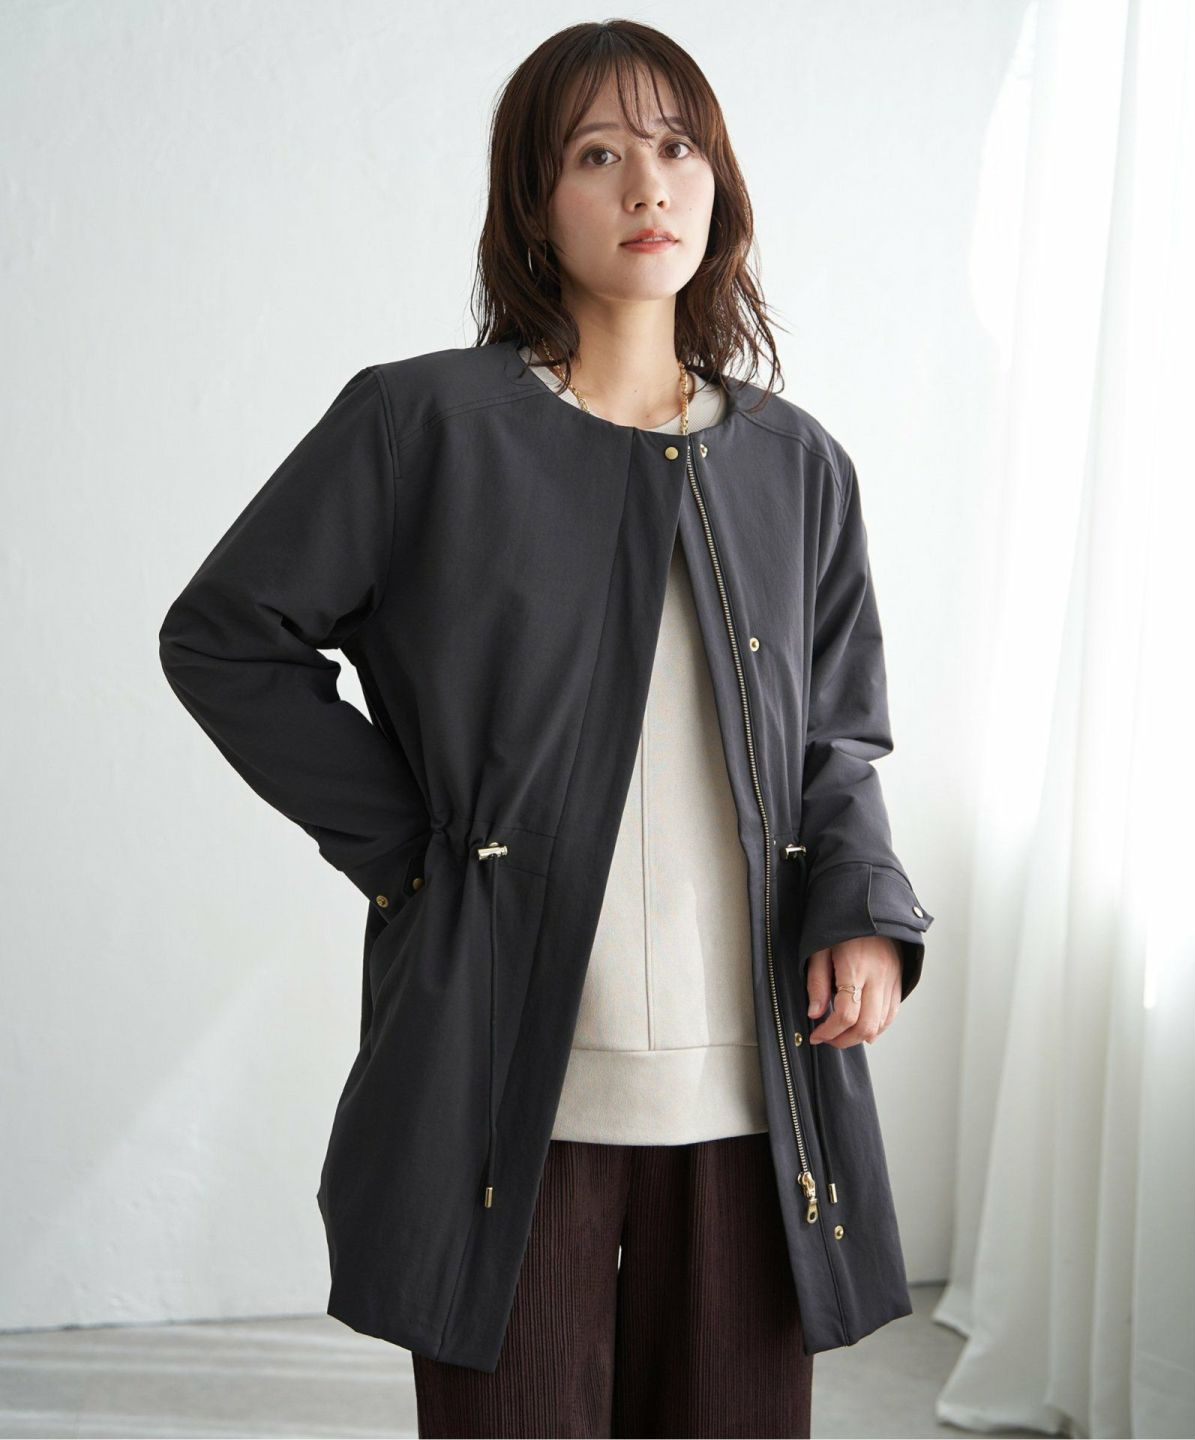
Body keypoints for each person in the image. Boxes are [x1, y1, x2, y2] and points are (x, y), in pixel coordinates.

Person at [159, 18, 934, 1440]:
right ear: (533, 202)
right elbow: (226, 634)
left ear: (718, 186)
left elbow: (837, 735)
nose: (648, 184)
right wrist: (412, 851)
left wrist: (864, 909)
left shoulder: (796, 463)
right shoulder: (425, 426)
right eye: (596, 154)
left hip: (756, 1094)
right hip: (507, 1075)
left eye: (678, 146)